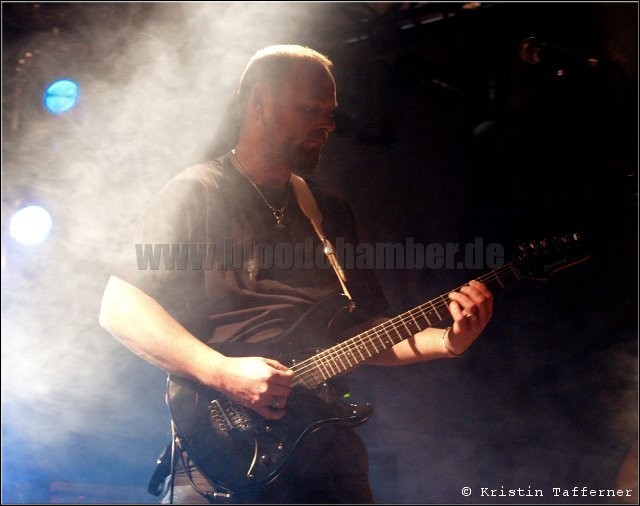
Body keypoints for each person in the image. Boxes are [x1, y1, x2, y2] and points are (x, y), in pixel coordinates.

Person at [99, 44, 494, 504]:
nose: (327, 124)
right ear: (260, 102)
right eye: (311, 109)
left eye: (330, 112)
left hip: (326, 449)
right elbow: (120, 307)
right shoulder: (196, 193)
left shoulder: (328, 211)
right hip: (226, 449)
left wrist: (448, 341)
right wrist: (222, 372)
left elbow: (363, 332)